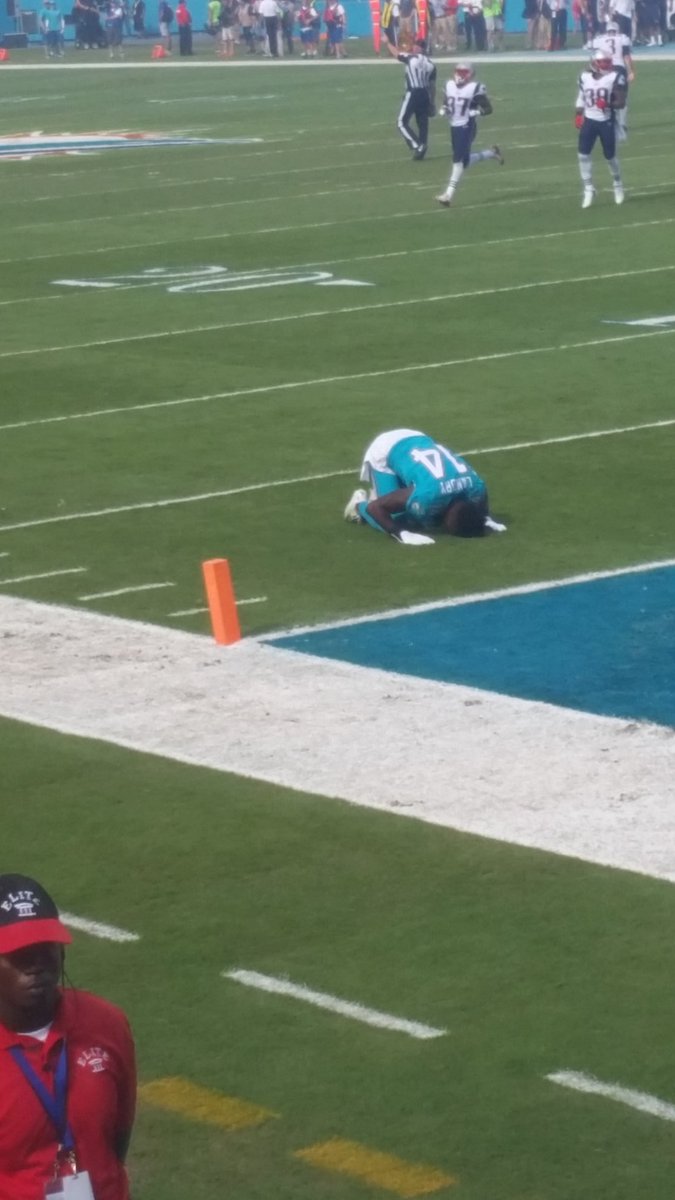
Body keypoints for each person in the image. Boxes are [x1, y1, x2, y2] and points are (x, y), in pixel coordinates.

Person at [0, 873, 136, 1200]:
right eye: (19, 952)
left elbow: (117, 1137)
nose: (36, 965)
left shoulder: (107, 1023)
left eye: (45, 947)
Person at [344, 429, 505, 543]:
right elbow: (376, 508)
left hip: (416, 438)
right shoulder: (428, 495)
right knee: (397, 519)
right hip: (385, 449)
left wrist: (485, 518)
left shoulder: (476, 488)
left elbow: (482, 508)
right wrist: (400, 533)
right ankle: (358, 506)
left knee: (416, 511)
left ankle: (385, 491)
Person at [436, 62, 503, 206]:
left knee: (457, 161)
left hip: (467, 126)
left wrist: (477, 111)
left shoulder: (474, 88)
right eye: (459, 71)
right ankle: (491, 153)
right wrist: (445, 109)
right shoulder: (449, 85)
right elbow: (446, 102)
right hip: (454, 126)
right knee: (463, 162)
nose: (460, 75)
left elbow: (488, 109)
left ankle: (448, 194)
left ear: (470, 74)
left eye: (464, 72)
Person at [575, 47, 626, 207]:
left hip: (606, 121)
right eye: (602, 62)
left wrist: (608, 104)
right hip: (589, 120)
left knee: (610, 157)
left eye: (608, 62)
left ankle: (617, 184)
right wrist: (578, 114)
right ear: (594, 63)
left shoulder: (615, 77)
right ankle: (589, 188)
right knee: (583, 154)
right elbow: (581, 97)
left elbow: (621, 102)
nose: (606, 65)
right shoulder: (584, 77)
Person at [386, 35, 436, 160]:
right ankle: (422, 148)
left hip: (413, 92)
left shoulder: (412, 58)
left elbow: (397, 54)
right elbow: (432, 86)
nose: (413, 47)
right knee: (422, 123)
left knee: (401, 122)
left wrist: (387, 42)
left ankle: (418, 145)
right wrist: (432, 102)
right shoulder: (431, 64)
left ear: (419, 47)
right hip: (424, 94)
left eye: (416, 45)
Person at [590, 18, 633, 137]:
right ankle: (622, 123)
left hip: (605, 70)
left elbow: (595, 58)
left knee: (605, 96)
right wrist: (630, 71)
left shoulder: (599, 40)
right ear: (616, 30)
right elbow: (626, 56)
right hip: (619, 69)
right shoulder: (622, 38)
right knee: (622, 97)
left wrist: (594, 72)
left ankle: (605, 121)